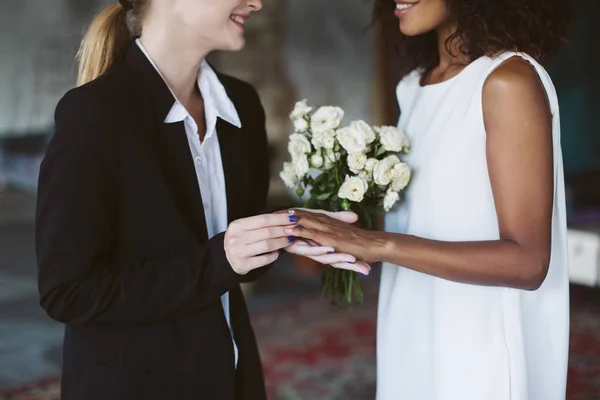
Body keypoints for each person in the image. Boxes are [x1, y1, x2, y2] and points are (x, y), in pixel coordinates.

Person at [35, 1, 369, 399]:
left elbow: (234, 266)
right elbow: (67, 292)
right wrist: (220, 259)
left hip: (231, 375)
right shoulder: (95, 113)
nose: (256, 2)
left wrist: (288, 229)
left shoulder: (242, 104)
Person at [286, 0, 572, 398]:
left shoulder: (507, 81)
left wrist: (378, 244)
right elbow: (432, 217)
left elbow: (529, 262)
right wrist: (343, 232)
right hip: (413, 320)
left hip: (477, 340)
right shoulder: (413, 87)